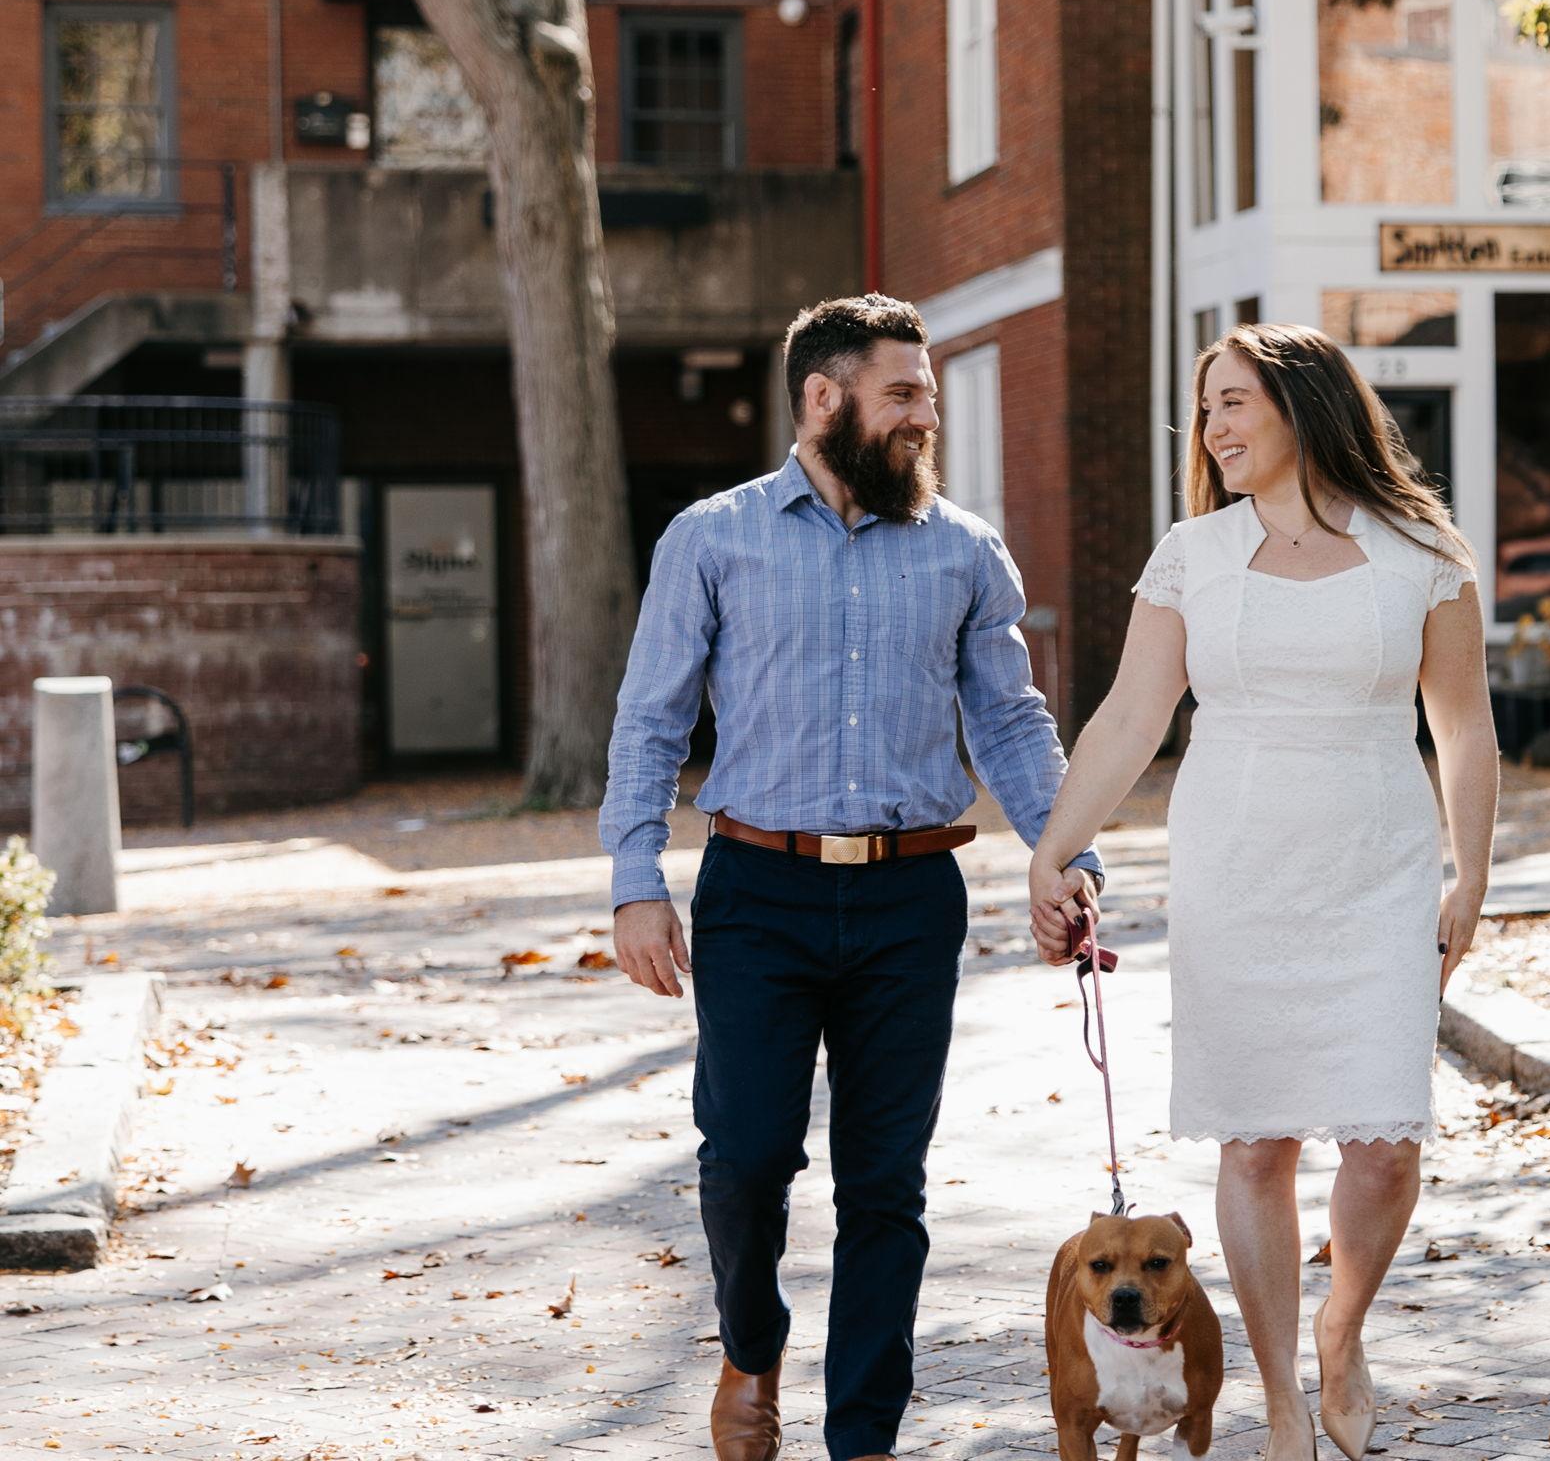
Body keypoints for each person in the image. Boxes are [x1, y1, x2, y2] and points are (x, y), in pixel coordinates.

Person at [602, 294, 1103, 1461]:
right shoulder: (710, 538)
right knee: (743, 1156)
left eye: (924, 394)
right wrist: (636, 877)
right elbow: (649, 720)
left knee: (887, 1181)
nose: (926, 416)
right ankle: (750, 1345)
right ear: (823, 399)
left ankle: (864, 1433)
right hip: (756, 892)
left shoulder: (964, 548)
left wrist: (1065, 852)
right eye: (905, 394)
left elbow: (1013, 723)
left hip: (906, 899)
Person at [1028, 322, 1500, 1461]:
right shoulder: (1192, 552)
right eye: (1205, 409)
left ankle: (1342, 1326)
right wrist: (1053, 851)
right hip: (1237, 867)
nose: (1214, 427)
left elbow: (1464, 723)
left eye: (1234, 400)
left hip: (1378, 866)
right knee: (1254, 1147)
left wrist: (1469, 874)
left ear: (1304, 405)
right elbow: (1130, 718)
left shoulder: (1420, 553)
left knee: (1383, 1144)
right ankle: (1283, 1394)